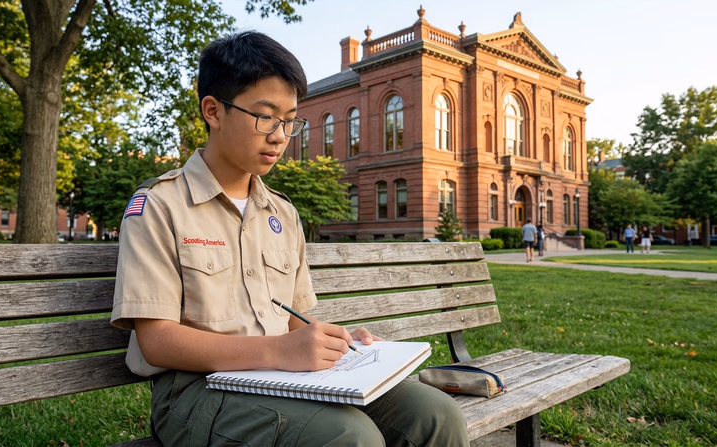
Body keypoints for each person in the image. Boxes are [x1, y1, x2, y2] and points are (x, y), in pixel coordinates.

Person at [110, 31, 468, 447]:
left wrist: (340, 342)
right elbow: (157, 342)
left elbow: (294, 319)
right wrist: (280, 351)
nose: (280, 135)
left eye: (290, 120)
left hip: (283, 379)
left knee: (436, 415)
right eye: (265, 116)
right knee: (350, 438)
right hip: (194, 392)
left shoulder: (281, 212)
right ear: (213, 110)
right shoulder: (159, 205)